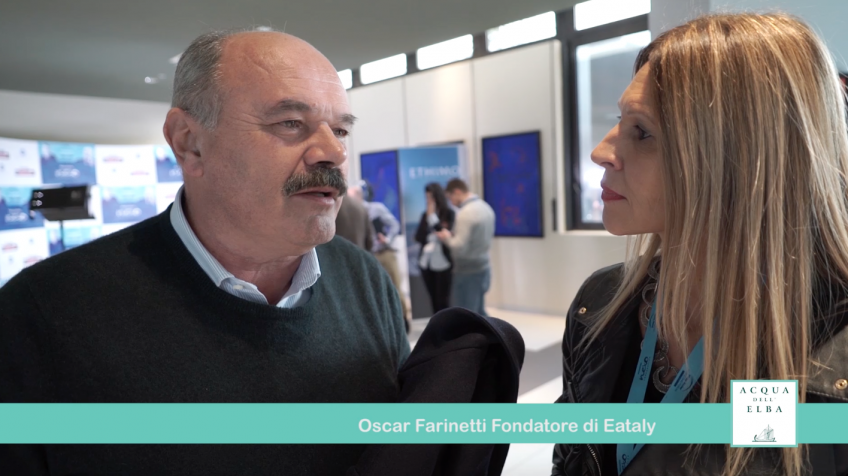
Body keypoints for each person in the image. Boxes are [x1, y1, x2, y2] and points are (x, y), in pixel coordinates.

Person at [0, 28, 409, 476]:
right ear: (189, 142)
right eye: (291, 123)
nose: (333, 152)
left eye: (341, 129)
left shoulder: (364, 281)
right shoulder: (44, 311)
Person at [552, 13, 848, 476]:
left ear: (737, 157)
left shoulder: (832, 346)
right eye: (619, 121)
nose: (601, 152)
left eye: (642, 132)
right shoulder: (601, 304)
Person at [350, 180, 411, 329]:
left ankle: (404, 321)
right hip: (368, 257)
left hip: (384, 253)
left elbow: (394, 224)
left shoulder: (376, 208)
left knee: (395, 288)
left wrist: (387, 238)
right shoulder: (353, 213)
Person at [436, 178, 495, 317]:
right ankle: (492, 331)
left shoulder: (465, 213)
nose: (451, 202)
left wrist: (446, 237)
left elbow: (458, 246)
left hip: (467, 271)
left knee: (465, 316)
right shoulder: (486, 207)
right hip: (484, 267)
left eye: (450, 197)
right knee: (479, 311)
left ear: (457, 192)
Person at [415, 182, 455, 315]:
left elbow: (445, 233)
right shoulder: (424, 215)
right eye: (426, 197)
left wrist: (432, 217)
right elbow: (418, 237)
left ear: (438, 196)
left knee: (443, 299)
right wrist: (428, 219)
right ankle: (437, 324)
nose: (429, 200)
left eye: (431, 197)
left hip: (443, 262)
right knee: (433, 298)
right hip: (426, 262)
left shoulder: (448, 213)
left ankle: (446, 325)